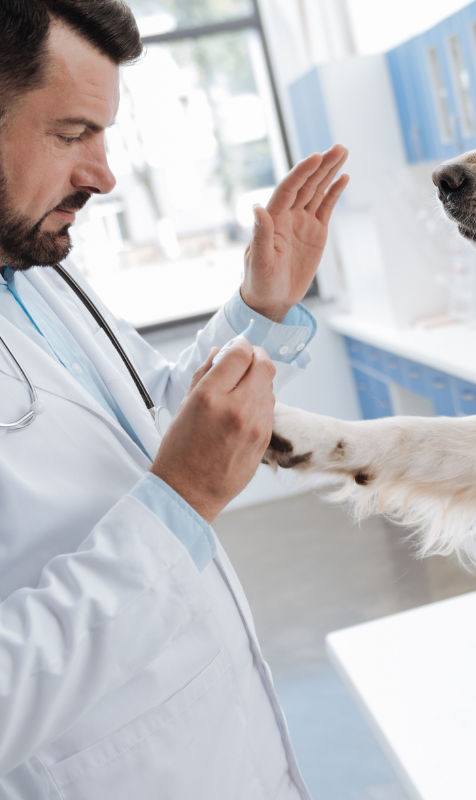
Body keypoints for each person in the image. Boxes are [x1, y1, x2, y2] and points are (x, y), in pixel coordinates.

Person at [0, 1, 349, 797]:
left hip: (227, 748)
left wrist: (260, 312)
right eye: (71, 134)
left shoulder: (39, 271)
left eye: (104, 134)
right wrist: (180, 500)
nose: (103, 174)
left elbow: (151, 422)